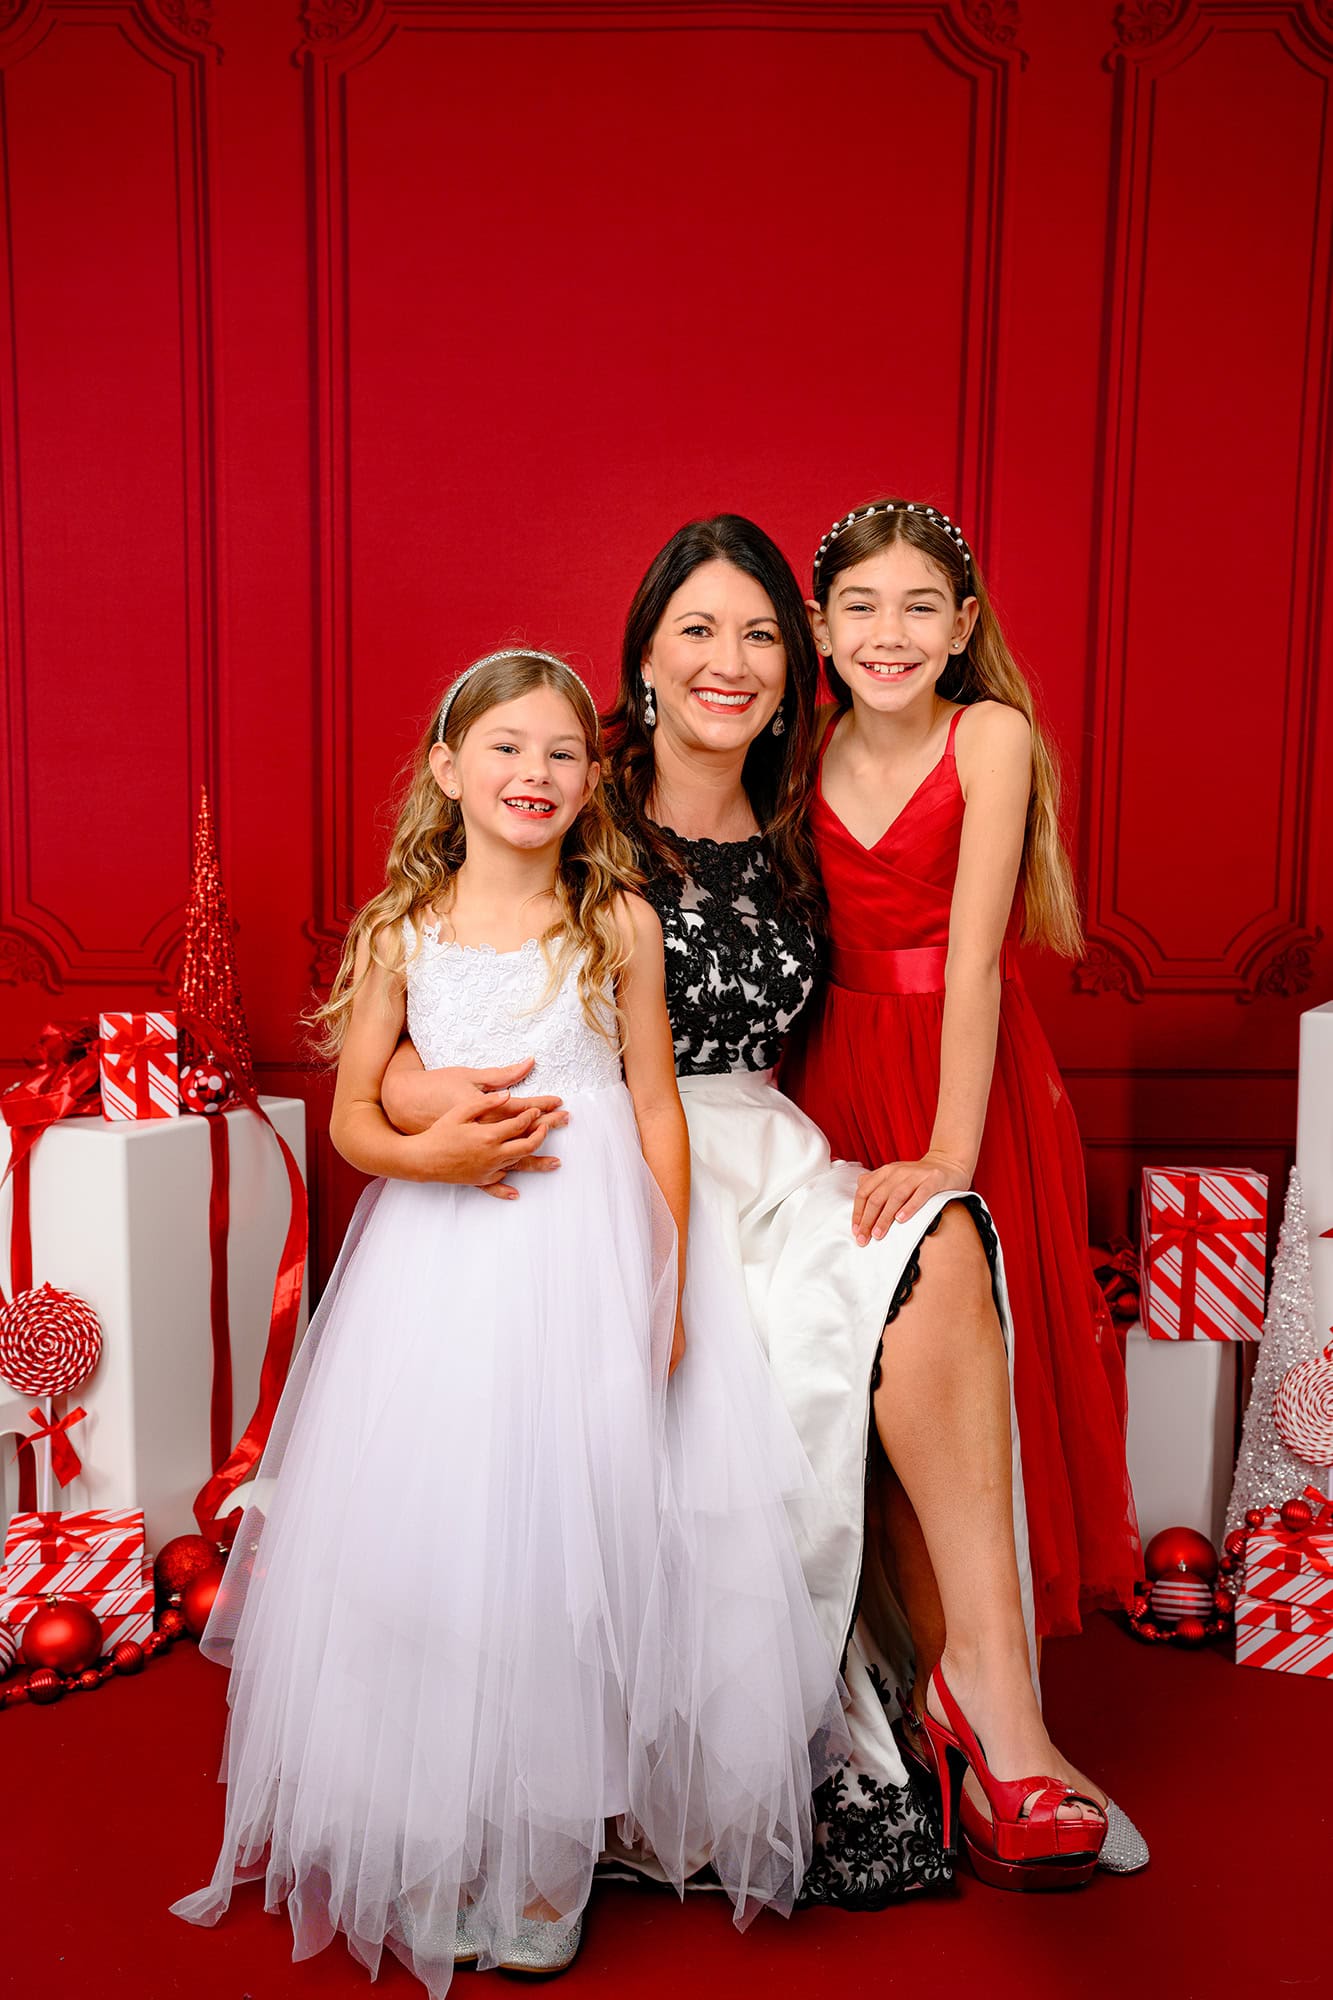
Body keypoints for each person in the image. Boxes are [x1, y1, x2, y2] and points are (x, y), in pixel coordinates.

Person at [384, 522, 1145, 1895]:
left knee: (941, 1249)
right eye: (696, 632)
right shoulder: (580, 791)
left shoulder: (804, 794)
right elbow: (441, 975)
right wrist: (422, 1125)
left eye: (755, 637)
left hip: (770, 1150)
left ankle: (993, 1703)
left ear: (795, 672)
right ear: (645, 660)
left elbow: (945, 930)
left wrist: (950, 1140)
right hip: (608, 1166)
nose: (726, 662)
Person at [172, 649, 845, 1994]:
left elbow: (655, 1106)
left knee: (574, 1541)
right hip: (444, 1274)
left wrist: (660, 1278)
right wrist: (430, 1158)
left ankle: (544, 1850)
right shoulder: (402, 932)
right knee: (445, 1540)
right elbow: (359, 1115)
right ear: (446, 770)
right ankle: (433, 1827)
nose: (533, 774)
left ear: (592, 780)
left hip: (591, 1262)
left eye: (560, 754)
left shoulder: (620, 923)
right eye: (505, 749)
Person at [781, 498, 1141, 1647]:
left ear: (961, 624)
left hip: (957, 1062)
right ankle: (876, 1652)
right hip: (827, 1058)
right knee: (847, 1349)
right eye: (861, 606)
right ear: (819, 627)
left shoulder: (987, 736)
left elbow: (976, 959)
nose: (890, 632)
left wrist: (947, 1148)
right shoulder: (798, 745)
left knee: (970, 1335)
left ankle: (980, 1659)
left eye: (920, 607)